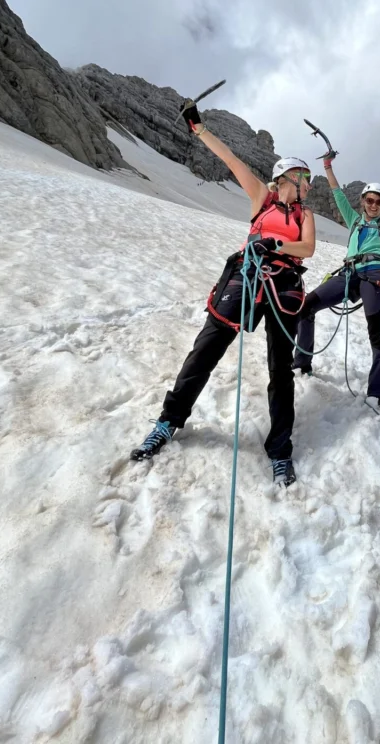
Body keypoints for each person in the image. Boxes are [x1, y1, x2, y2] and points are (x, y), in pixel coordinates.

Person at [130, 100, 316, 486]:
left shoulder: (305, 215)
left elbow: (308, 248)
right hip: (247, 276)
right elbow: (231, 160)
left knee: (281, 368)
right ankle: (168, 421)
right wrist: (198, 128)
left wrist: (275, 245)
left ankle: (280, 449)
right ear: (285, 177)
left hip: (284, 284)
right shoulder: (262, 198)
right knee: (206, 347)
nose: (308, 185)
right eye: (304, 177)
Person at [292, 153, 380, 406]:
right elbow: (337, 194)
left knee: (375, 330)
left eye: (378, 202)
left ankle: (376, 392)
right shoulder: (354, 221)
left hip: (375, 274)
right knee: (307, 306)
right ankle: (301, 363)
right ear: (363, 201)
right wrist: (327, 166)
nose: (374, 205)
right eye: (370, 200)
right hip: (348, 273)